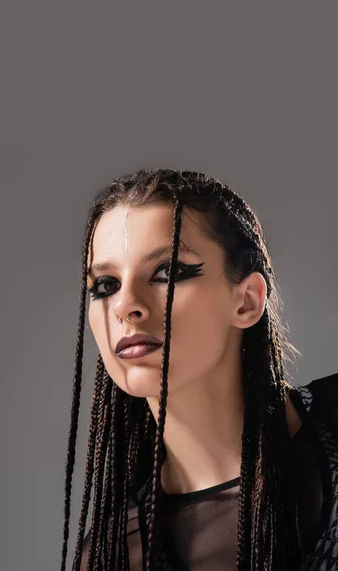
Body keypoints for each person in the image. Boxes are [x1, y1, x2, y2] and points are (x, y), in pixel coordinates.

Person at [59, 168, 338, 571]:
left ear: (247, 301)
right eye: (105, 285)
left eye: (166, 273)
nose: (125, 306)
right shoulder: (116, 557)